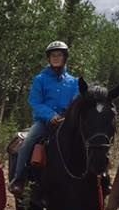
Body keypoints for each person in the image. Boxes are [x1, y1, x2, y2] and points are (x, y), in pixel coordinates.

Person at [9, 40, 79, 195]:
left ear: (65, 57)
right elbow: (34, 101)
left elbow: (76, 102)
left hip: (67, 123)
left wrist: (67, 116)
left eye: (59, 55)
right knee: (27, 142)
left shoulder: (74, 82)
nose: (55, 58)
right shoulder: (40, 79)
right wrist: (51, 116)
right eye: (52, 55)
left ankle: (97, 179)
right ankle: (19, 179)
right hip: (44, 123)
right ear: (48, 58)